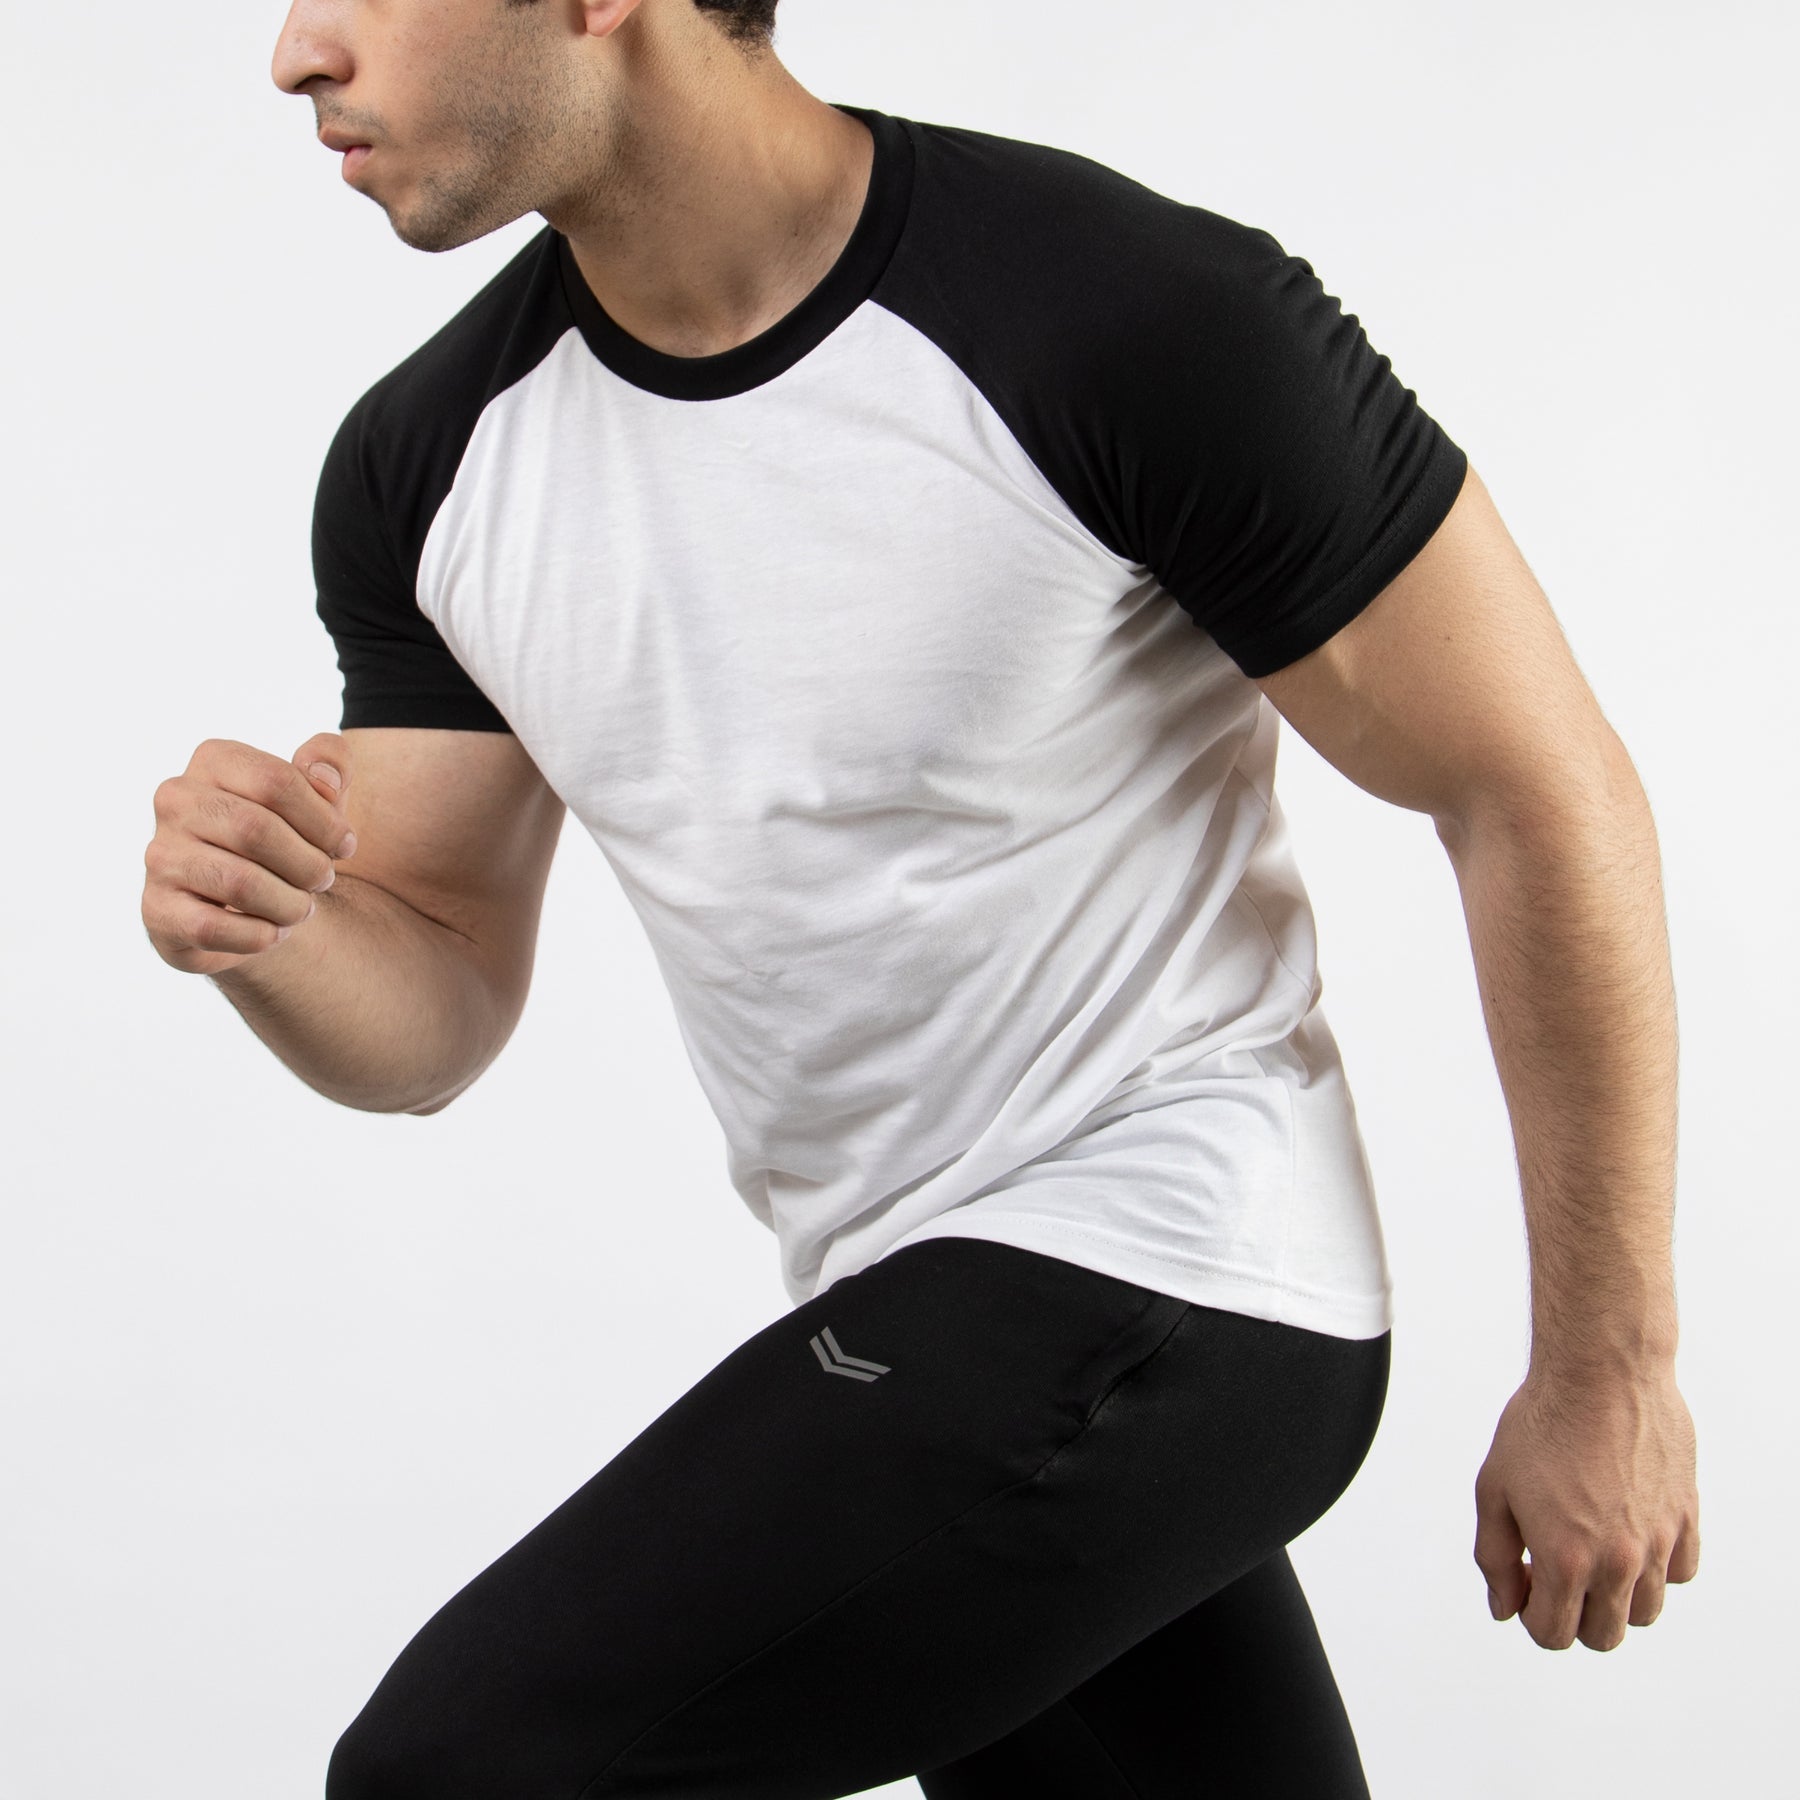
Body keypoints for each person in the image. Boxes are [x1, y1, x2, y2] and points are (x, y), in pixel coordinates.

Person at [139, 2, 1701, 1794]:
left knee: (461, 1772)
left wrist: (1610, 1368)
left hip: (1186, 1262)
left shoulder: (1116, 316)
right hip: (909, 1308)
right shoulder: (430, 463)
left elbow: (1536, 790)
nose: (295, 52)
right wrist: (272, 928)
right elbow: (432, 996)